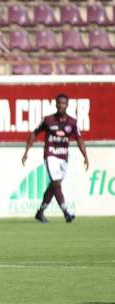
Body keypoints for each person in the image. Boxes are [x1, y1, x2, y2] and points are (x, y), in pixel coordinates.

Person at [22, 93, 89, 223]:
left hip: (63, 157)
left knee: (54, 186)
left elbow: (79, 139)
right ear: (56, 104)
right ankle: (66, 213)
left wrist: (85, 155)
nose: (61, 106)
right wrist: (26, 151)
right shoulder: (48, 120)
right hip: (50, 155)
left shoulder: (72, 122)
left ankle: (40, 212)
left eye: (63, 103)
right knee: (57, 183)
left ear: (67, 105)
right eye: (59, 103)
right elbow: (35, 133)